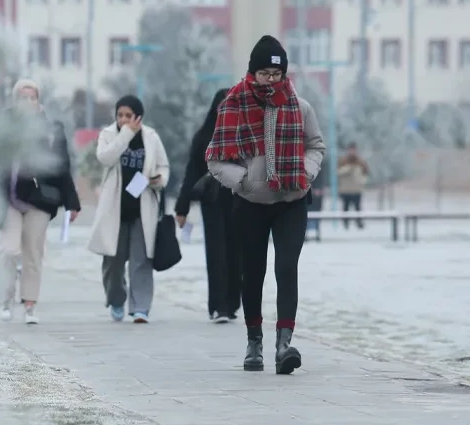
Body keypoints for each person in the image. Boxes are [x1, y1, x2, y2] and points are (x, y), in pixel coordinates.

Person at [206, 35, 326, 374]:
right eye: (264, 73)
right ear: (252, 72)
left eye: (276, 74)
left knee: (286, 268)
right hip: (250, 203)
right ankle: (254, 341)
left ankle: (284, 344)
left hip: (291, 199)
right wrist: (243, 180)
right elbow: (214, 159)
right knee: (253, 273)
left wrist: (305, 171)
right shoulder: (233, 106)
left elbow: (316, 146)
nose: (270, 81)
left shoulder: (300, 107)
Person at [0, 79, 81, 325]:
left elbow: (62, 166)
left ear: (39, 101)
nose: (28, 102)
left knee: (33, 252)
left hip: (40, 198)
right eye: (22, 97)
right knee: (9, 250)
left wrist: (72, 202)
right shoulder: (3, 127)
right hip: (9, 198)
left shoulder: (51, 129)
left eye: (32, 97)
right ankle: (6, 298)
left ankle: (30, 304)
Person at [87, 94, 170, 323]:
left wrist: (159, 179)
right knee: (113, 261)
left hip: (142, 208)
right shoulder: (108, 135)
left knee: (141, 260)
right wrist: (126, 134)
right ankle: (116, 299)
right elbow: (105, 158)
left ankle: (141, 307)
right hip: (115, 208)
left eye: (128, 115)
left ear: (138, 116)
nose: (123, 119)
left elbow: (163, 165)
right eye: (120, 115)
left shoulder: (151, 137)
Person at [175, 88, 240, 324]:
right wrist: (182, 207)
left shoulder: (245, 134)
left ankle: (233, 303)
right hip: (212, 201)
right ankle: (219, 306)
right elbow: (191, 172)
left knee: (237, 253)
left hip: (239, 200)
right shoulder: (204, 136)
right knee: (216, 252)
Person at [337, 142, 371, 228]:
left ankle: (359, 222)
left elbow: (366, 173)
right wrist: (347, 169)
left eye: (353, 150)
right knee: (346, 207)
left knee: (357, 207)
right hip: (345, 189)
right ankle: (345, 223)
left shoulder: (361, 161)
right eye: (351, 150)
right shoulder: (343, 161)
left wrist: (362, 181)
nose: (352, 152)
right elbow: (338, 172)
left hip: (357, 189)